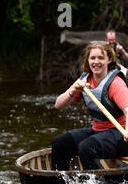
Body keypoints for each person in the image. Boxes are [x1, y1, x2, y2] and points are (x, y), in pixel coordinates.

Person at [51, 41, 128, 171]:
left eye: (100, 58)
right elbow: (58, 105)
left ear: (109, 59)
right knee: (59, 142)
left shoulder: (115, 83)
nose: (96, 62)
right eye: (92, 58)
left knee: (86, 147)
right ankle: (59, 183)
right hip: (98, 131)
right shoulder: (84, 81)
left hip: (121, 136)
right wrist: (73, 91)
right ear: (88, 60)